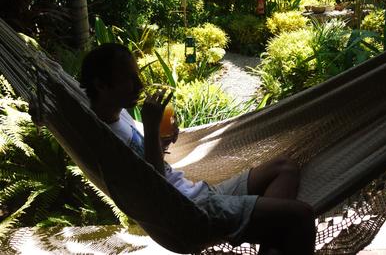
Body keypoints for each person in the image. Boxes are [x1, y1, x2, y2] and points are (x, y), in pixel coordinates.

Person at [80, 43, 316, 255]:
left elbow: (148, 164)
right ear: (101, 85)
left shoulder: (118, 113)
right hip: (190, 213)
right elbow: (154, 191)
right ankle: (276, 228)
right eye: (129, 78)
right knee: (301, 216)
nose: (140, 85)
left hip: (197, 193)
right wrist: (151, 129)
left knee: (285, 167)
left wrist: (159, 143)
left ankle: (271, 234)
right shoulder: (105, 141)